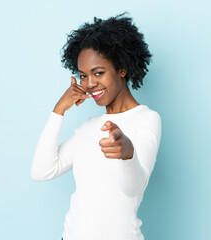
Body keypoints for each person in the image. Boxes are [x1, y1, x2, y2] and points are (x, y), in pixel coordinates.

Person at [31, 12, 162, 240]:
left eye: (98, 73)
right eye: (83, 76)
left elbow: (133, 188)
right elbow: (42, 171)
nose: (90, 84)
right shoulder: (88, 128)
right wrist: (58, 110)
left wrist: (127, 154)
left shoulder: (147, 119)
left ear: (122, 68)